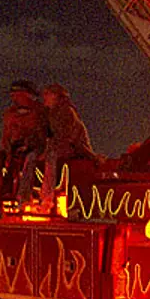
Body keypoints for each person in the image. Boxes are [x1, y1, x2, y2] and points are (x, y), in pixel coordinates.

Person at [33, 84, 98, 212]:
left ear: (56, 96)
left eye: (47, 94)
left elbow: (66, 137)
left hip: (75, 148)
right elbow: (47, 136)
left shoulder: (66, 112)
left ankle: (47, 199)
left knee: (51, 157)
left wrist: (48, 151)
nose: (44, 97)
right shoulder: (50, 113)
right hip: (63, 146)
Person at [0, 80, 49, 213]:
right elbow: (6, 135)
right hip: (14, 148)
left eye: (17, 95)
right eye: (13, 95)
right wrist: (7, 151)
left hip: (35, 148)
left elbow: (43, 134)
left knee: (30, 159)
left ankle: (23, 198)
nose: (14, 98)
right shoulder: (10, 113)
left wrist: (29, 144)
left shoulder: (40, 112)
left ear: (28, 95)